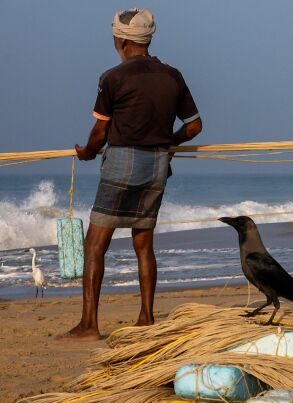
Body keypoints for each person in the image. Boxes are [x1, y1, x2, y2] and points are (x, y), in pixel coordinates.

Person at [59, 8, 202, 341]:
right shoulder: (173, 76)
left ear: (120, 39)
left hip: (122, 162)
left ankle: (89, 325)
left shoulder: (113, 77)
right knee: (143, 244)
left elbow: (100, 131)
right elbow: (194, 126)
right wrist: (170, 142)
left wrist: (88, 152)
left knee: (94, 245)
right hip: (157, 166)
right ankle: (146, 318)